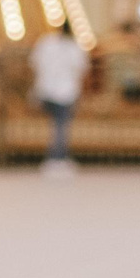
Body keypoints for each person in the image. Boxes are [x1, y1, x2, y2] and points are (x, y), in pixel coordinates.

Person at [29, 20, 89, 176]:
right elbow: (82, 67)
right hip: (65, 92)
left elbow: (34, 62)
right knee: (61, 125)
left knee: (55, 125)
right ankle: (57, 157)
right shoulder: (74, 47)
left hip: (46, 89)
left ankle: (56, 156)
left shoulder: (46, 43)